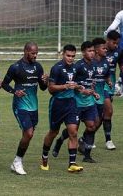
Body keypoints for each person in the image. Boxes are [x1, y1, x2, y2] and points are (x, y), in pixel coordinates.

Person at [2, 42, 48, 175]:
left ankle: (16, 162)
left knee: (27, 135)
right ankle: (18, 161)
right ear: (26, 51)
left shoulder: (38, 67)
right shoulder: (15, 67)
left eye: (36, 53)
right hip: (20, 105)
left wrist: (46, 80)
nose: (35, 56)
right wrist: (14, 91)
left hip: (33, 106)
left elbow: (43, 88)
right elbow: (4, 84)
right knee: (29, 133)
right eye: (33, 53)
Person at [52, 41, 100, 163]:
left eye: (93, 50)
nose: (92, 53)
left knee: (92, 126)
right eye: (89, 51)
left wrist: (93, 92)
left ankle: (87, 155)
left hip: (89, 103)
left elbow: (90, 82)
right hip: (77, 102)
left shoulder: (94, 65)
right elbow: (73, 83)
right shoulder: (77, 66)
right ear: (83, 52)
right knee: (73, 131)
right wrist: (81, 90)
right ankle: (59, 141)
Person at [40, 44, 83, 173]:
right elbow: (51, 89)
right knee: (53, 132)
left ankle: (72, 164)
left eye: (73, 56)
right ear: (63, 54)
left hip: (71, 103)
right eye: (68, 56)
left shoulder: (76, 68)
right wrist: (65, 86)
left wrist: (78, 87)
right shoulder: (57, 68)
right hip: (57, 104)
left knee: (73, 132)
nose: (70, 58)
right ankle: (44, 157)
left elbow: (77, 85)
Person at [78, 38, 111, 154]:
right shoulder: (83, 65)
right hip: (84, 99)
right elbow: (78, 82)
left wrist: (108, 81)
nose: (106, 50)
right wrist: (83, 90)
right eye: (103, 48)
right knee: (76, 126)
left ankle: (85, 144)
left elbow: (103, 76)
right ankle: (64, 141)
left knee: (97, 122)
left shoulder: (103, 63)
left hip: (97, 95)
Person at [102, 31, 123, 150]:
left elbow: (121, 62)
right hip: (100, 86)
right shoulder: (100, 50)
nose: (116, 45)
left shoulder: (118, 51)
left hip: (110, 85)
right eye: (114, 43)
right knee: (109, 111)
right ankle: (108, 140)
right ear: (108, 40)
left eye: (117, 43)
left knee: (101, 116)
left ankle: (85, 138)